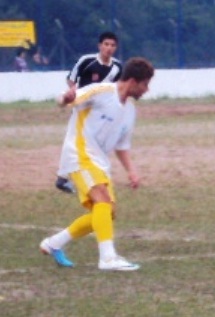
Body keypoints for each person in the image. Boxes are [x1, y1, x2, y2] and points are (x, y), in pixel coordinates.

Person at [40, 57, 154, 271]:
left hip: (99, 162)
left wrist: (131, 171)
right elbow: (67, 100)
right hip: (79, 154)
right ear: (132, 81)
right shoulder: (101, 91)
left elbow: (121, 145)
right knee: (102, 199)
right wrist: (65, 98)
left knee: (106, 212)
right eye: (145, 84)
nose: (146, 90)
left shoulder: (129, 111)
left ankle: (54, 243)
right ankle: (108, 258)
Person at [56, 31, 123, 194]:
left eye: (112, 45)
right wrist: (73, 92)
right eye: (106, 44)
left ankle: (91, 170)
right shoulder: (87, 61)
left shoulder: (117, 67)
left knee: (96, 138)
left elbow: (115, 88)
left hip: (100, 108)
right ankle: (63, 177)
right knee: (75, 137)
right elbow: (71, 79)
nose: (109, 48)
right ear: (99, 46)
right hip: (83, 104)